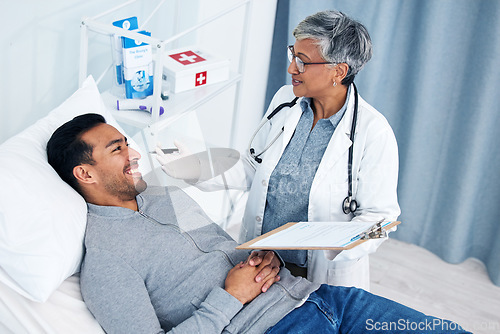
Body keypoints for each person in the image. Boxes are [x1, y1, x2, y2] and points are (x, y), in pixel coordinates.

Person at [46, 113, 469, 334]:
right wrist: (230, 298)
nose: (134, 153)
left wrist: (258, 255)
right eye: (118, 149)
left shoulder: (161, 195)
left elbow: (218, 249)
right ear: (85, 174)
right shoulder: (106, 261)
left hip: (324, 299)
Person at [155, 10, 399, 289]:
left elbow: (380, 221)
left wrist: (332, 242)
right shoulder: (286, 101)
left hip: (319, 274)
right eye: (293, 55)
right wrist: (199, 168)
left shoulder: (373, 133)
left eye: (303, 62)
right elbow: (251, 166)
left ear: (339, 71)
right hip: (260, 263)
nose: (292, 68)